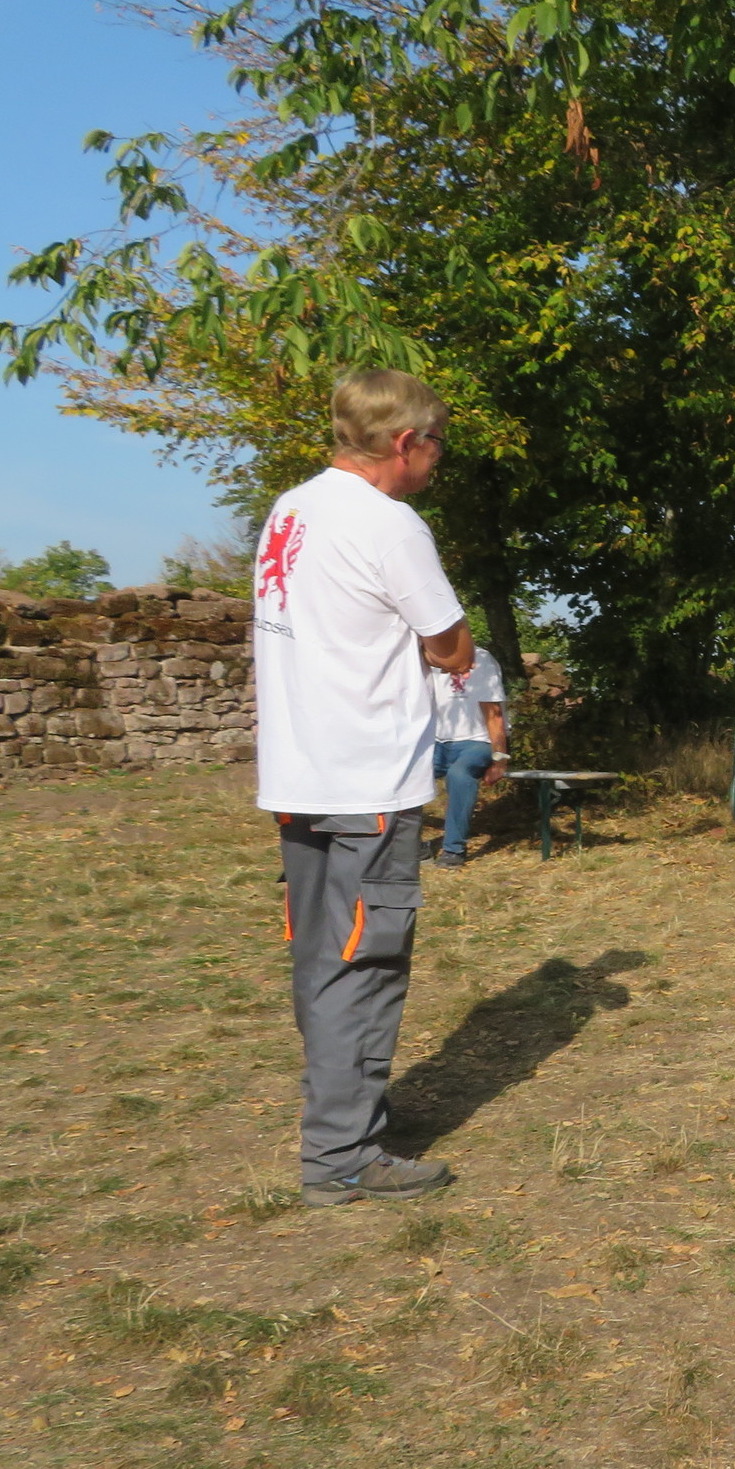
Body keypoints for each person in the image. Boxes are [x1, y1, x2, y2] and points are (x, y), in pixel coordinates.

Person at [253, 368, 469, 1206]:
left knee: (321, 957)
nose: (439, 460)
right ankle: (343, 1155)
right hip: (367, 777)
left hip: (299, 772)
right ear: (404, 442)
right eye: (437, 444)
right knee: (366, 962)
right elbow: (451, 645)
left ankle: (343, 1116)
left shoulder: (291, 510)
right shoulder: (389, 523)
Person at [427, 643, 508, 866]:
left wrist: (500, 759)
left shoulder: (481, 659)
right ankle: (407, 847)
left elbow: (494, 714)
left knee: (459, 774)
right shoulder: (424, 659)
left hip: (477, 741)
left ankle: (453, 849)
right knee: (404, 775)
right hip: (437, 742)